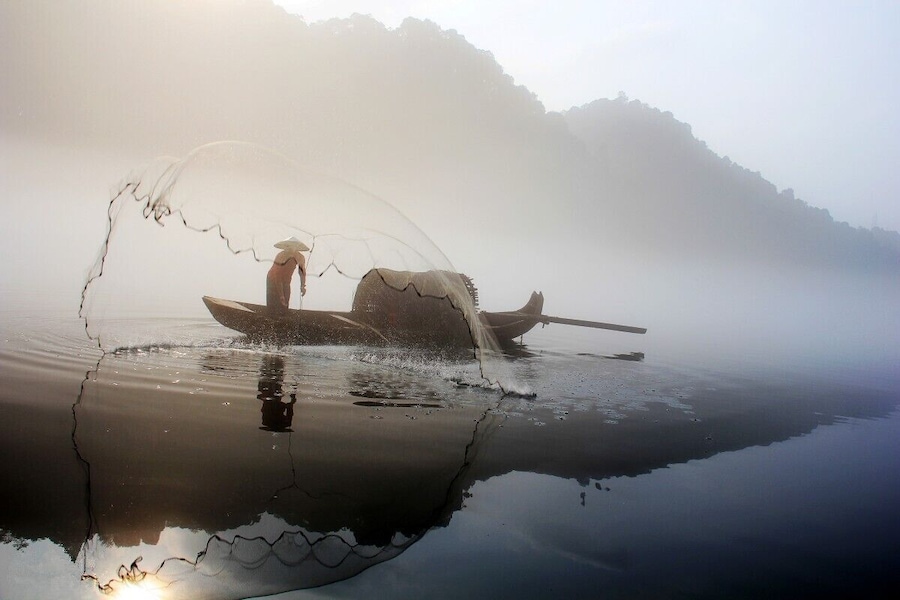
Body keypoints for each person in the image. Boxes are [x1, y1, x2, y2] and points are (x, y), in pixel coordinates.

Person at [266, 237, 309, 314]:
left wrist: (303, 286)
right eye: (289, 246)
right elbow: (277, 275)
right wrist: (281, 295)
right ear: (286, 246)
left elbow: (302, 273)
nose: (291, 249)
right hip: (272, 279)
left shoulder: (300, 257)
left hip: (286, 281)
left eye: (293, 246)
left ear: (297, 247)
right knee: (274, 302)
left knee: (285, 302)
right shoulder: (281, 256)